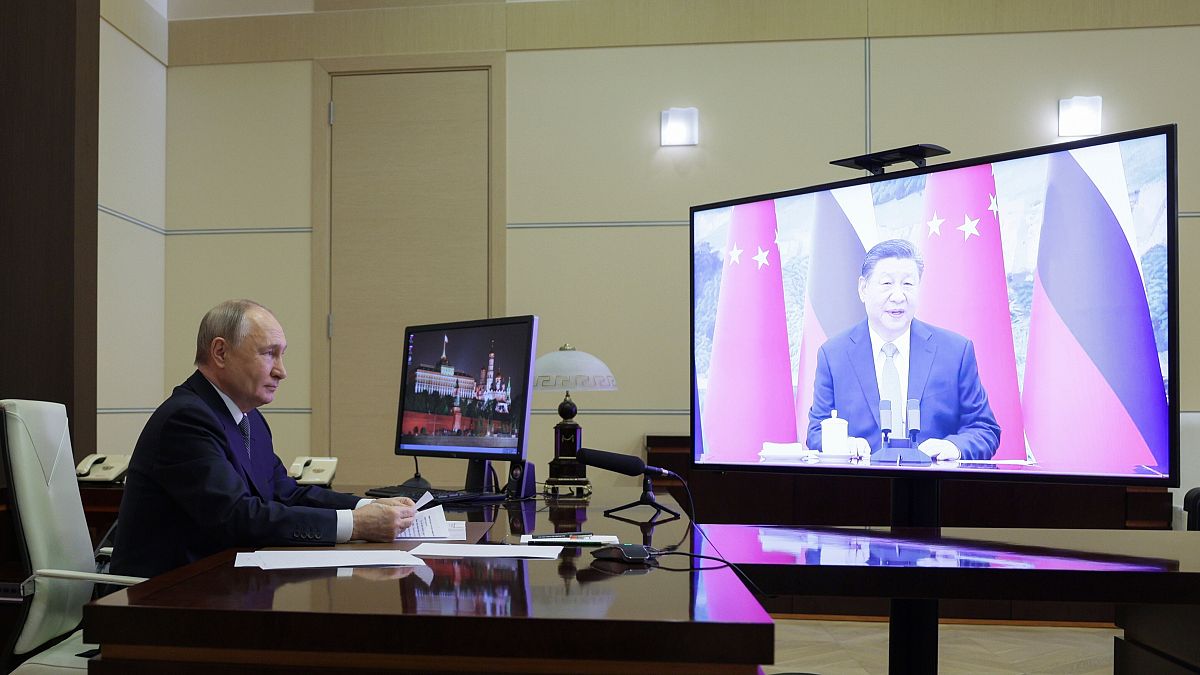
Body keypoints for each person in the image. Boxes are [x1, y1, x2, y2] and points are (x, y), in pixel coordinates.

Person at [112, 299, 416, 578]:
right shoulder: (186, 419)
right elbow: (236, 517)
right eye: (269, 353)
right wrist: (357, 525)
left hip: (223, 589)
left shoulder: (249, 419)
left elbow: (286, 494)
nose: (282, 371)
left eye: (282, 355)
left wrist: (368, 506)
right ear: (220, 352)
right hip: (163, 604)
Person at [806, 239, 1000, 461]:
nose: (898, 296)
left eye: (908, 284)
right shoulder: (834, 356)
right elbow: (816, 433)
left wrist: (953, 447)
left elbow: (984, 429)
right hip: (861, 489)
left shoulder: (955, 352)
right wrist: (842, 444)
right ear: (863, 288)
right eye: (887, 284)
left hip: (933, 487)